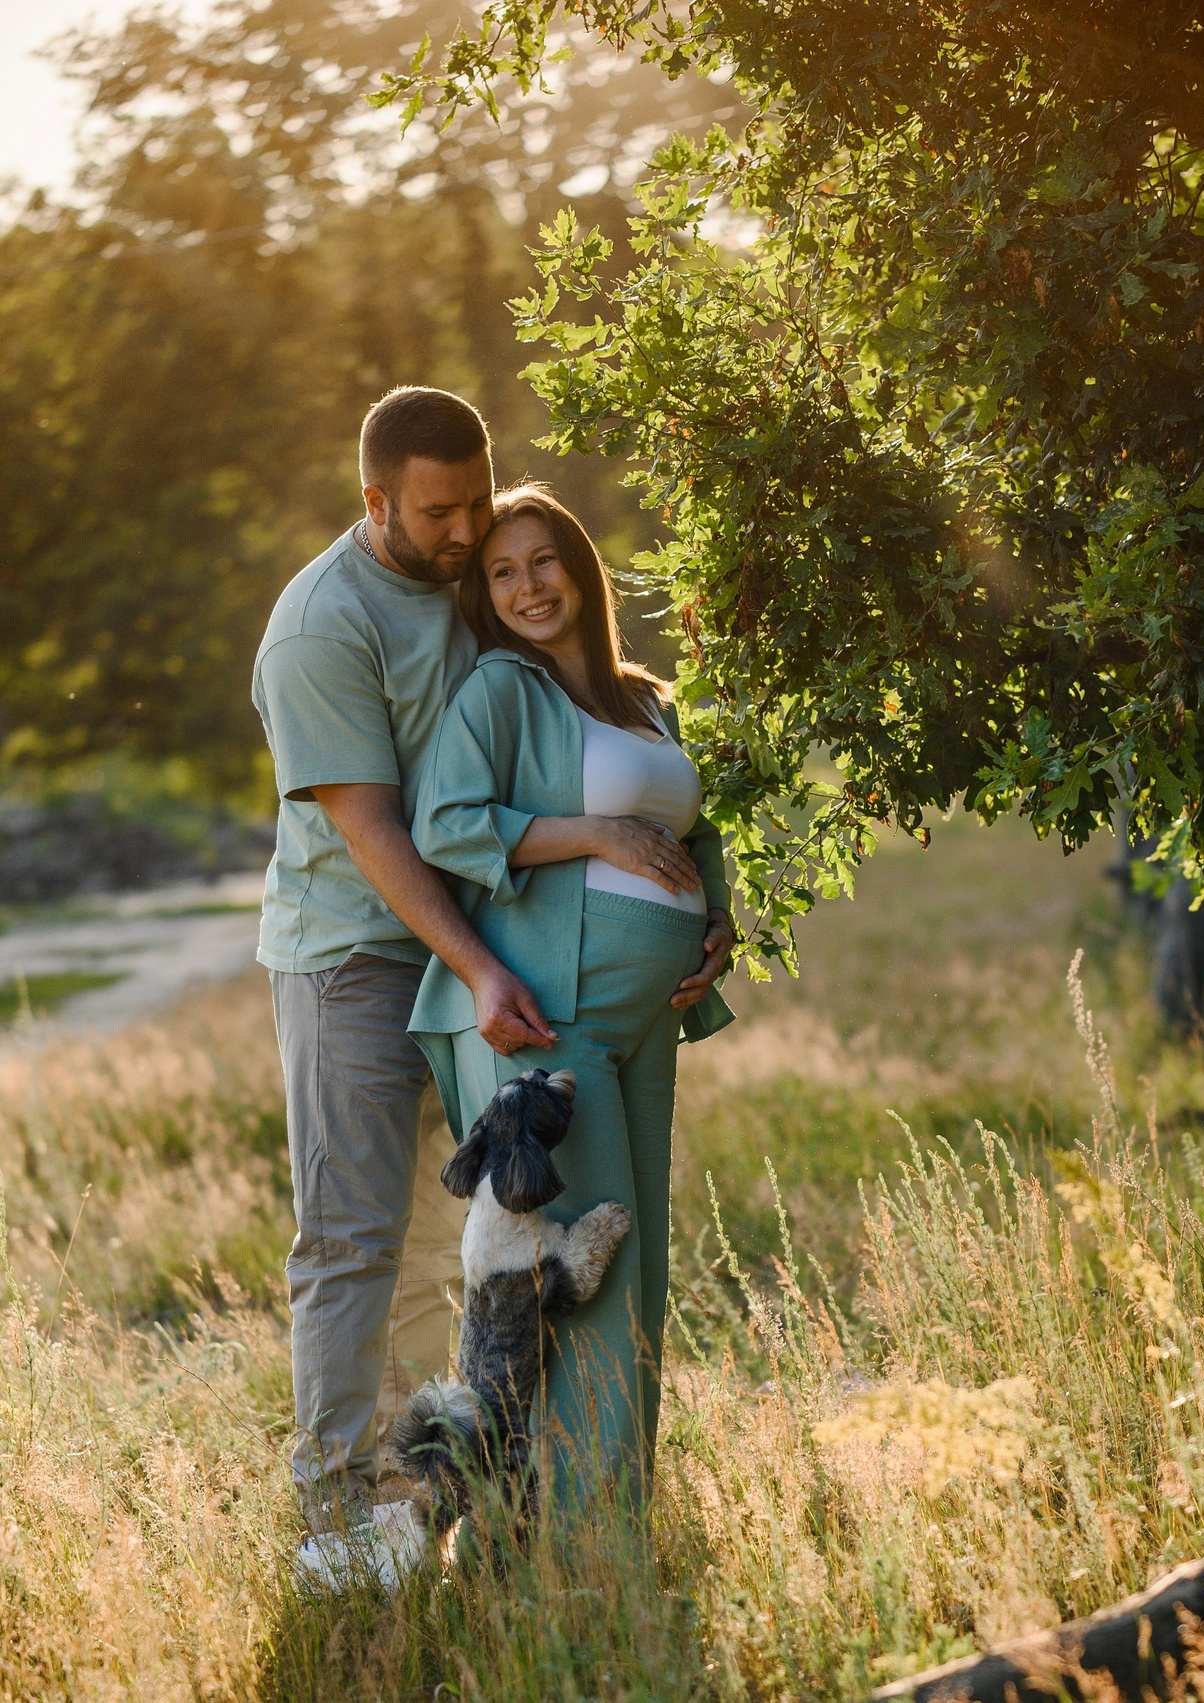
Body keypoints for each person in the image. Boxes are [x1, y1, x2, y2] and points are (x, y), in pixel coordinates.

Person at [251, 390, 721, 1590]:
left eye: (477, 501)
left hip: (488, 952)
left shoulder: (473, 585)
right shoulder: (321, 625)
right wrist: (477, 960)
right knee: (360, 1238)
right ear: (375, 503)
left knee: (487, 1244)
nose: (466, 533)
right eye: (438, 513)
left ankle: (450, 1498)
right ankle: (340, 1518)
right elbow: (380, 830)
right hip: (359, 952)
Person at [406, 482, 736, 1520]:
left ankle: (607, 1516)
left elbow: (695, 833)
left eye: (542, 559)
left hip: (646, 1018)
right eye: (501, 571)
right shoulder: (501, 688)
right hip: (552, 1016)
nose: (525, 585)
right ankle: (582, 1551)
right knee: (576, 1290)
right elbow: (445, 821)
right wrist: (588, 834)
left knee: (636, 1264)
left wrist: (717, 924)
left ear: (579, 566)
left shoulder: (646, 697)